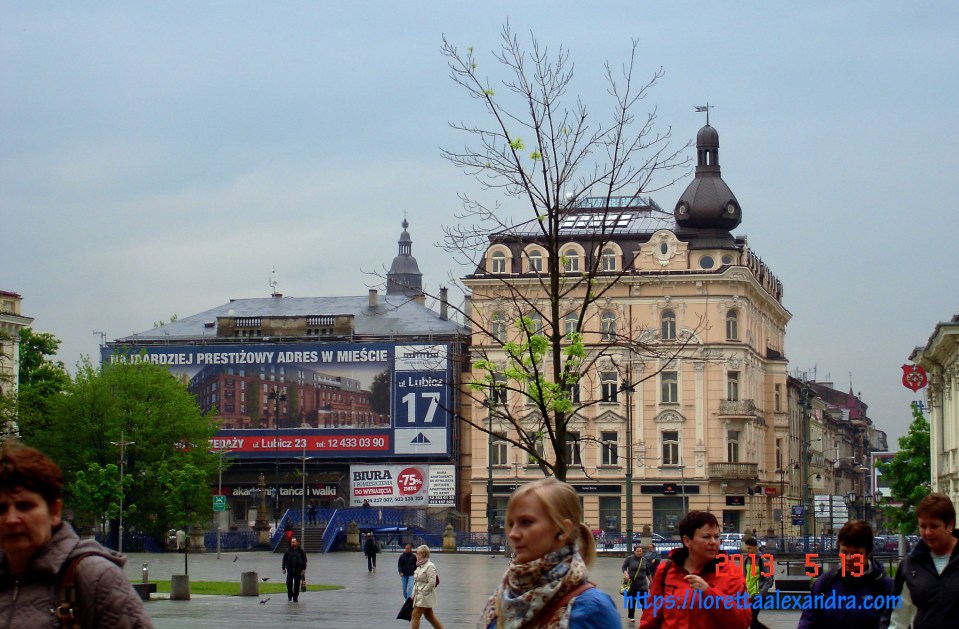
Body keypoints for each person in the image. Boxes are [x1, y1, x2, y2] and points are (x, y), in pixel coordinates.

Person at [0, 441, 153, 628]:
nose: (11, 519)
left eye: (25, 506)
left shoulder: (95, 578)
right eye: (1, 509)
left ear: (54, 511)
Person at [478, 477, 620, 629]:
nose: (513, 533)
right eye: (511, 524)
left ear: (563, 529)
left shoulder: (592, 609)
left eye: (526, 522)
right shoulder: (502, 596)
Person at [639, 510, 751, 629]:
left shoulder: (730, 573)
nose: (713, 542)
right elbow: (650, 619)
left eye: (717, 537)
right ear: (687, 541)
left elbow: (742, 622)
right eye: (706, 537)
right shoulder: (666, 570)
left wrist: (708, 592)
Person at [798, 520, 892, 629]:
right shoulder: (826, 582)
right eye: (844, 552)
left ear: (869, 553)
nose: (848, 558)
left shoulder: (886, 588)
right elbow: (808, 620)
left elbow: (898, 624)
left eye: (855, 554)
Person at [884, 493, 959, 628]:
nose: (928, 532)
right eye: (923, 526)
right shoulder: (910, 566)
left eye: (934, 526)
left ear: (950, 525)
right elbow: (896, 619)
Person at [742, 537, 773, 629]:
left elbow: (768, 580)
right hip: (748, 595)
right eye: (747, 548)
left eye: (749, 548)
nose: (748, 551)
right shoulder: (746, 560)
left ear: (756, 547)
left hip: (758, 595)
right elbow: (745, 577)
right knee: (751, 621)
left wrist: (760, 594)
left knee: (751, 620)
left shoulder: (763, 561)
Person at [411, 544, 444, 629]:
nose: (416, 555)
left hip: (425, 595)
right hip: (418, 594)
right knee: (429, 616)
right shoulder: (419, 565)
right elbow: (416, 581)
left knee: (415, 615)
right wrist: (413, 594)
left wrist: (422, 592)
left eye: (417, 553)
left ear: (423, 554)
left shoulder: (430, 566)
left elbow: (432, 582)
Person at [622, 545, 649, 623]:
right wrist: (626, 573)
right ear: (634, 551)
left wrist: (651, 581)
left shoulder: (644, 560)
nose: (639, 552)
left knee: (644, 601)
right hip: (632, 584)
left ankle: (646, 615)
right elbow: (623, 567)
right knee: (632, 600)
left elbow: (647, 571)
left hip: (643, 584)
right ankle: (631, 616)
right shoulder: (629, 559)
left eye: (640, 551)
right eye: (638, 551)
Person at [281, 536, 307, 602]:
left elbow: (304, 560)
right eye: (292, 542)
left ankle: (295, 597)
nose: (293, 543)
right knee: (289, 583)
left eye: (294, 542)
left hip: (298, 570)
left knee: (297, 584)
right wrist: (283, 568)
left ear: (297, 542)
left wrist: (304, 569)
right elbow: (284, 560)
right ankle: (290, 595)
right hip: (290, 570)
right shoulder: (288, 551)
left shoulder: (301, 551)